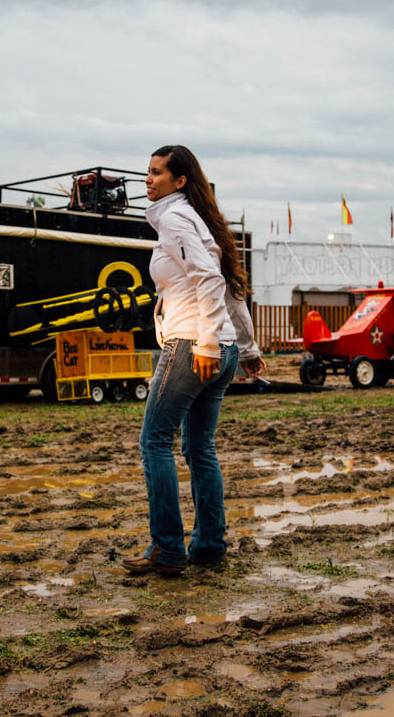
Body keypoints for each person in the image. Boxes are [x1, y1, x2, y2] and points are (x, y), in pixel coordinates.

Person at [122, 145, 264, 575]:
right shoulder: (201, 222)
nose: (148, 180)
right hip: (222, 350)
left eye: (157, 173)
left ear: (179, 181)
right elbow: (232, 288)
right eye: (146, 172)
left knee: (154, 443)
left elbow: (209, 279)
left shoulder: (175, 219)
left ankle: (166, 549)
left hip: (192, 346)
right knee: (200, 448)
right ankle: (208, 546)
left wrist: (204, 343)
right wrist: (249, 348)